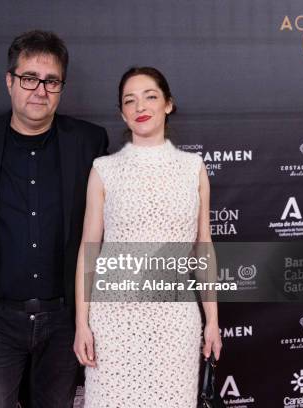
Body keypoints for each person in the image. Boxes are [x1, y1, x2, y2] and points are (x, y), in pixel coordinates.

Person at [0, 30, 108, 407]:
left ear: (61, 87)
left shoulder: (89, 142)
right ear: (9, 81)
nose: (39, 90)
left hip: (64, 319)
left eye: (51, 81)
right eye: (29, 78)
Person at [73, 66, 223, 407]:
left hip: (175, 322)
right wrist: (82, 324)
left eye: (150, 96)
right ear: (122, 114)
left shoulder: (193, 168)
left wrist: (212, 320)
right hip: (113, 324)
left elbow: (203, 248)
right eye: (130, 100)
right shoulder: (103, 170)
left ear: (168, 104)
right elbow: (89, 251)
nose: (140, 106)